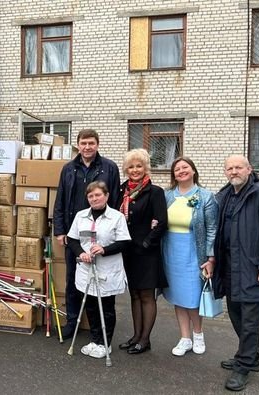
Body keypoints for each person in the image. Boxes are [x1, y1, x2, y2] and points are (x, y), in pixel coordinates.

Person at [212, 155, 259, 392]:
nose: (234, 171)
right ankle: (250, 356)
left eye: (238, 167)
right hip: (230, 268)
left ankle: (243, 366)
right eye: (229, 168)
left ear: (249, 169)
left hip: (253, 269)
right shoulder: (225, 195)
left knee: (250, 321)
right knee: (236, 316)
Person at [53, 129, 121, 339]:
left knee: (101, 280)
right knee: (74, 278)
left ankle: (100, 329)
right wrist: (60, 230)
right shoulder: (69, 168)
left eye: (91, 143)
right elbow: (60, 200)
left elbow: (116, 200)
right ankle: (72, 321)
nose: (87, 147)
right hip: (75, 234)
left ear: (97, 144)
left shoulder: (109, 168)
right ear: (78, 145)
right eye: (83, 143)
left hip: (101, 233)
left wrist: (112, 231)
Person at [66, 181, 130, 358]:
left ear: (107, 196)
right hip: (86, 269)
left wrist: (104, 249)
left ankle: (105, 343)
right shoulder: (80, 216)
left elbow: (124, 242)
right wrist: (81, 253)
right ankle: (94, 340)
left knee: (107, 307)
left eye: (98, 195)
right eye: (90, 196)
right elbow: (72, 240)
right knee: (91, 306)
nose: (94, 198)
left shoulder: (116, 217)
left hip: (107, 270)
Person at [162, 156, 218, 356]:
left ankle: (198, 334)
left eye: (185, 167)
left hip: (195, 253)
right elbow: (160, 221)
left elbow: (212, 228)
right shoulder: (167, 195)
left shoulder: (205, 196)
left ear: (193, 171)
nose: (181, 171)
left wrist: (210, 258)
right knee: (178, 297)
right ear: (173, 174)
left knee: (193, 298)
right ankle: (184, 338)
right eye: (177, 169)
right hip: (171, 252)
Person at [117, 149, 168, 354]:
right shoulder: (122, 191)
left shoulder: (155, 192)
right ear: (126, 169)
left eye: (139, 166)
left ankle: (145, 340)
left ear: (146, 168)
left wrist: (146, 243)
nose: (135, 170)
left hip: (146, 252)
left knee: (147, 296)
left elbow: (162, 222)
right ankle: (136, 336)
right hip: (128, 251)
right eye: (131, 166)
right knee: (134, 295)